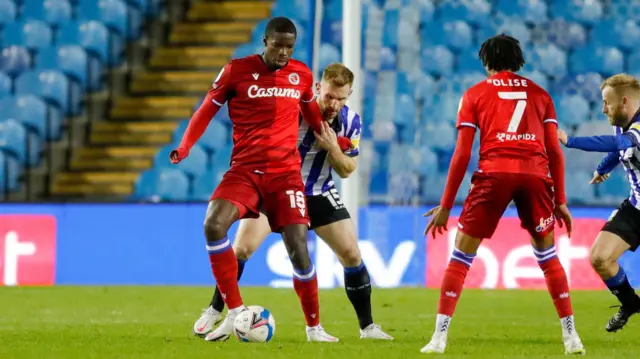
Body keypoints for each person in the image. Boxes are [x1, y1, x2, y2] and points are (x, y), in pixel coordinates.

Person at [171, 17, 344, 343]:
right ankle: (234, 312)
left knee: (298, 250)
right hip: (245, 172)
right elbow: (206, 109)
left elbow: (312, 117)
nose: (283, 52)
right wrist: (185, 145)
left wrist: (337, 143)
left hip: (285, 175)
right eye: (277, 45)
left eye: (289, 47)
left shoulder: (301, 74)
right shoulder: (236, 71)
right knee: (213, 225)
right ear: (264, 41)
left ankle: (314, 329)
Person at [193, 63, 394, 341]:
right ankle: (216, 309)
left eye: (341, 98)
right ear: (317, 89)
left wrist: (333, 148)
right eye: (329, 96)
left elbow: (348, 169)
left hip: (319, 191)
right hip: (277, 189)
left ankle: (368, 327)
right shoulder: (290, 110)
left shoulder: (351, 122)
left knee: (351, 253)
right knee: (242, 248)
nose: (334, 104)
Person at [420, 34, 585, 355]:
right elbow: (554, 150)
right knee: (548, 258)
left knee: (460, 258)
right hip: (536, 176)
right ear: (518, 61)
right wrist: (560, 200)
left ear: (486, 62)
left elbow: (461, 154)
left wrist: (445, 204)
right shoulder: (541, 95)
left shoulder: (474, 94)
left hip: (494, 173)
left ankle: (438, 339)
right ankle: (572, 337)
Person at [558, 73, 640, 333]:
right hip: (637, 207)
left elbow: (621, 143)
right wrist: (603, 168)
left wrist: (570, 141)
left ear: (624, 101)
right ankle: (631, 304)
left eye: (607, 103)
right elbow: (619, 150)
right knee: (600, 258)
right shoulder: (622, 124)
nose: (603, 109)